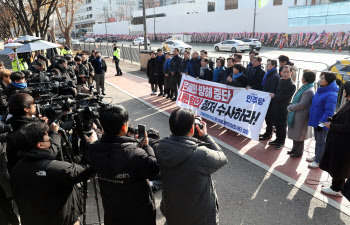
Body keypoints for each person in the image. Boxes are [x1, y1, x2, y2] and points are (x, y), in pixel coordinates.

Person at [88, 105, 159, 225]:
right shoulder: (135, 153)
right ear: (124, 126)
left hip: (112, 211)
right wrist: (147, 147)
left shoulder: (93, 148)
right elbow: (153, 171)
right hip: (138, 214)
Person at [156, 108, 228, 225]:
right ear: (192, 128)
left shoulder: (161, 148)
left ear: (171, 127)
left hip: (172, 210)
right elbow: (222, 158)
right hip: (200, 217)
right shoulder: (201, 154)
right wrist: (205, 137)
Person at [11, 121, 92, 225]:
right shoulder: (56, 169)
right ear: (40, 145)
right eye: (46, 135)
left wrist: (54, 133)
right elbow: (87, 170)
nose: (49, 137)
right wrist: (91, 144)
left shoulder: (16, 169)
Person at [319, 81, 350, 196]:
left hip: (343, 142)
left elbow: (347, 127)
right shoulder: (348, 103)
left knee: (339, 165)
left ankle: (336, 189)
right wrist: (334, 120)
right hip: (339, 140)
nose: (343, 92)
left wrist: (331, 126)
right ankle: (335, 185)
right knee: (337, 164)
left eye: (345, 90)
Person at [307, 72, 339, 168]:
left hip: (321, 123)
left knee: (321, 142)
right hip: (316, 121)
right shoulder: (321, 90)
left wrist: (322, 124)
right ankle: (317, 156)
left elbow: (329, 111)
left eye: (322, 78)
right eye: (320, 78)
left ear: (328, 81)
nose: (320, 80)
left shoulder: (331, 95)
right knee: (317, 140)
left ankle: (318, 161)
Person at [286, 70, 316, 157]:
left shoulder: (309, 90)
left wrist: (290, 107)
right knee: (296, 134)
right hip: (297, 114)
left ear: (306, 79)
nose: (301, 78)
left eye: (303, 77)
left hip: (301, 115)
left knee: (299, 136)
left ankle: (298, 152)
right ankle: (294, 149)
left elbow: (303, 104)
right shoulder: (305, 87)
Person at [268, 66, 296, 149]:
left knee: (282, 125)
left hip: (283, 108)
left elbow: (285, 98)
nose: (285, 74)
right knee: (276, 124)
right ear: (281, 73)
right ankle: (277, 139)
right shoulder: (280, 81)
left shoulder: (292, 85)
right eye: (284, 72)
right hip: (276, 107)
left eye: (287, 72)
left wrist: (275, 96)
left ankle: (281, 142)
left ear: (291, 73)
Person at [259, 59, 280, 141]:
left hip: (270, 101)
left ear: (273, 65)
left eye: (268, 64)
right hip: (266, 99)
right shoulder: (269, 74)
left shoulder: (275, 76)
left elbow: (272, 89)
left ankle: (269, 134)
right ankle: (267, 133)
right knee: (267, 118)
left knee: (269, 119)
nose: (266, 66)